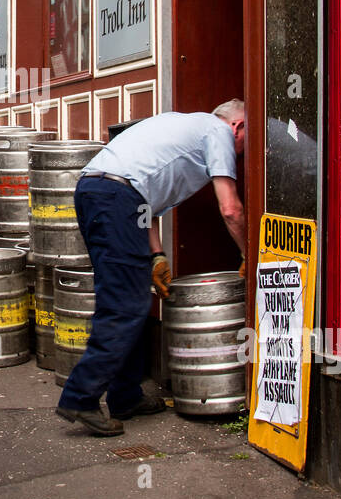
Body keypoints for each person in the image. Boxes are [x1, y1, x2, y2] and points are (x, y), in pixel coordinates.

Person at [56, 101, 246, 436]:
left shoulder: (185, 123)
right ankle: (80, 397)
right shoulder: (218, 132)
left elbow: (146, 199)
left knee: (127, 299)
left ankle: (125, 396)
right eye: (247, 141)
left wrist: (156, 255)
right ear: (238, 126)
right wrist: (250, 255)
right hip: (116, 198)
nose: (242, 153)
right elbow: (230, 208)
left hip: (99, 190)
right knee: (124, 304)